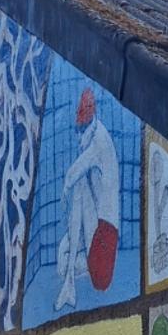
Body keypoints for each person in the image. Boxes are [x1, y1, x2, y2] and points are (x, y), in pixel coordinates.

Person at [56, 88, 121, 310]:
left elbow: (73, 172)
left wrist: (65, 193)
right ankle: (69, 279)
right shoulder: (96, 137)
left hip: (105, 235)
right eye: (78, 129)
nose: (79, 137)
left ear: (91, 125)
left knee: (78, 183)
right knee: (81, 184)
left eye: (82, 129)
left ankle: (70, 279)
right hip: (98, 228)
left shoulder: (99, 142)